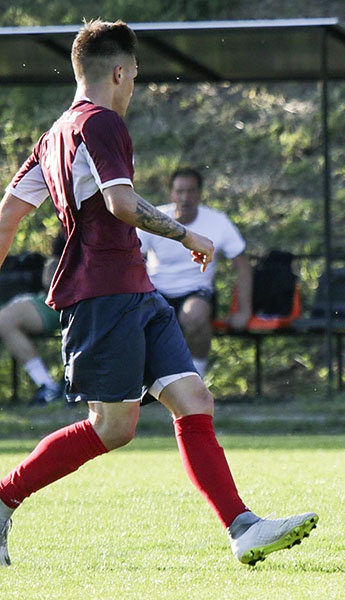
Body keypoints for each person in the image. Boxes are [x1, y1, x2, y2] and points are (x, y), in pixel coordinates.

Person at [0, 19, 317, 567]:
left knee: (193, 398)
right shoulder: (101, 123)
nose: (133, 86)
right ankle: (4, 498)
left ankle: (242, 528)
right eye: (135, 75)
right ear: (119, 72)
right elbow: (122, 205)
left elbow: (7, 218)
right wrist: (188, 233)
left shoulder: (54, 135)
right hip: (100, 295)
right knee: (113, 427)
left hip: (137, 292)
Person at [138, 168, 252, 377]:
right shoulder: (154, 218)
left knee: (194, 316)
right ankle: (144, 381)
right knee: (130, 318)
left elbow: (242, 264)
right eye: (180, 192)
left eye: (191, 191)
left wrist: (243, 311)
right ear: (171, 194)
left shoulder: (218, 221)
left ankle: (196, 377)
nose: (185, 198)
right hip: (156, 292)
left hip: (197, 292)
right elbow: (133, 259)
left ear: (200, 194)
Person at [0, 234, 64, 406]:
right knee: (4, 320)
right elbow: (53, 267)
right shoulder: (69, 220)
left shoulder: (120, 214)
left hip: (82, 299)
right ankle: (48, 386)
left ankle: (53, 388)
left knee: (4, 319)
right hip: (56, 296)